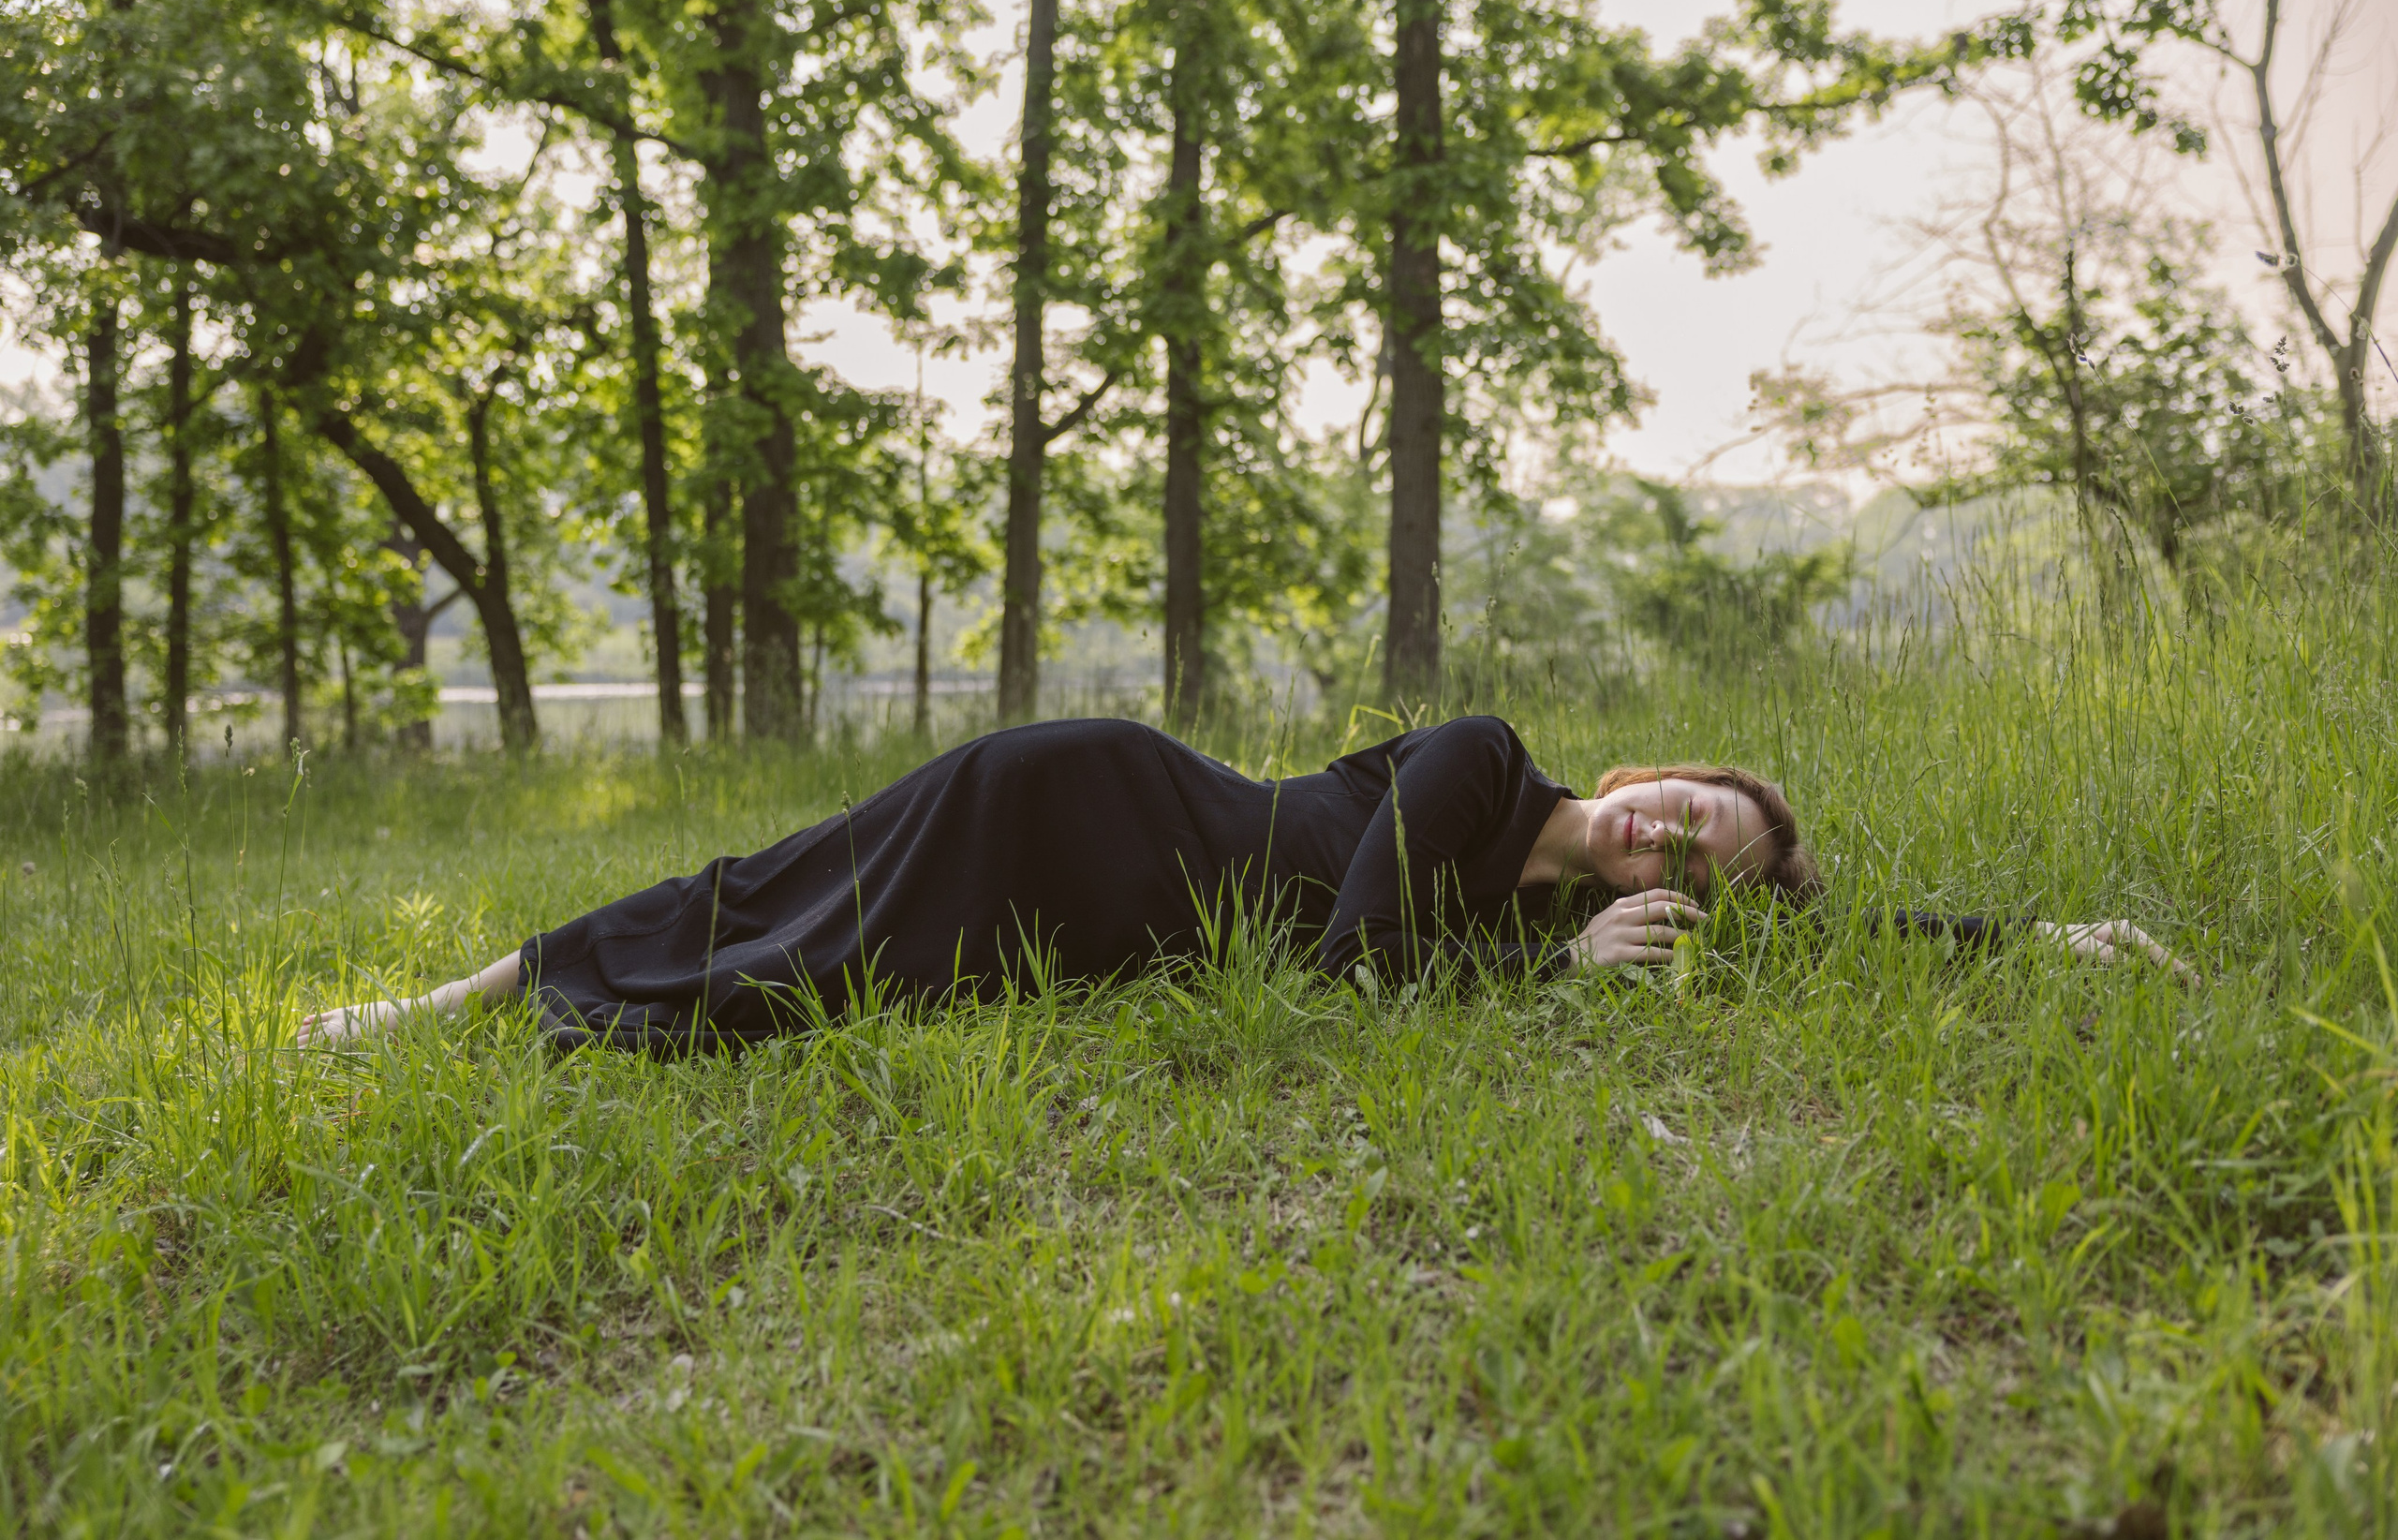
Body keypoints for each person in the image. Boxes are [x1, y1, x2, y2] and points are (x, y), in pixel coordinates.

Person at [297, 715, 2191, 1051]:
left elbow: (1822, 945)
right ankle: (444, 1000)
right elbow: (1354, 951)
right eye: (1693, 805)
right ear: (1639, 772)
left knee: (791, 998)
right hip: (1081, 813)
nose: (1682, 840)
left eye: (1713, 856)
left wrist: (2029, 937)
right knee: (774, 904)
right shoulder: (1477, 758)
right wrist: (1554, 986)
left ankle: (522, 1013)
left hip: (1095, 942)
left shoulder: (1558, 912)